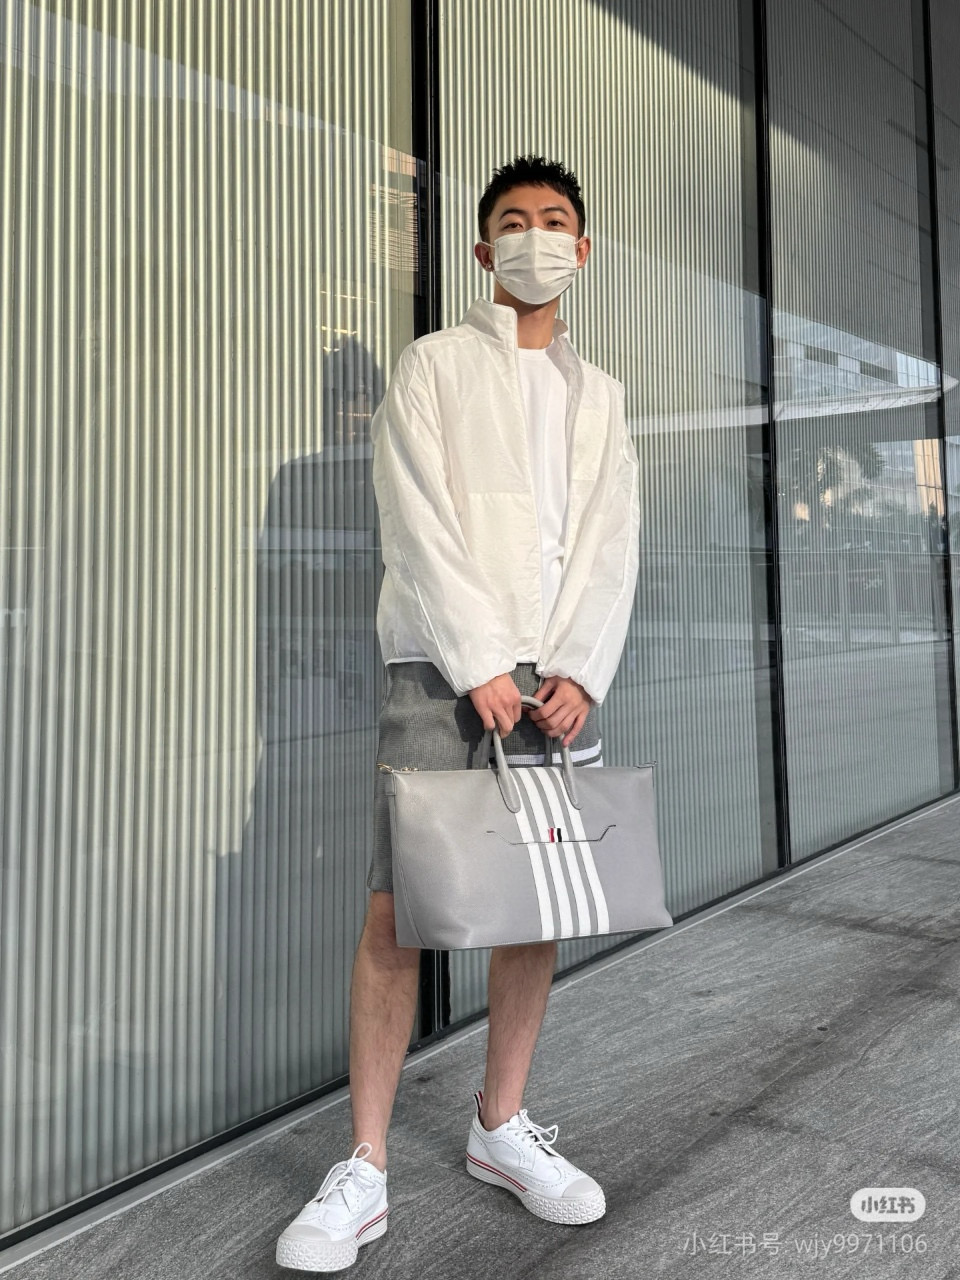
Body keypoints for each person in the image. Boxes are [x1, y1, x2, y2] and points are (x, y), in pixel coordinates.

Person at [276, 155, 641, 1273]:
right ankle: (365, 1164)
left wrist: (580, 669)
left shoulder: (602, 394)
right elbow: (415, 514)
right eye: (514, 222)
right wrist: (479, 657)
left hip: (557, 683)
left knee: (535, 903)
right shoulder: (433, 364)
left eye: (555, 221)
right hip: (439, 668)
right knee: (399, 910)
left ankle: (500, 1124)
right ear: (485, 251)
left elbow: (614, 538)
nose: (536, 237)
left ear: (581, 250)